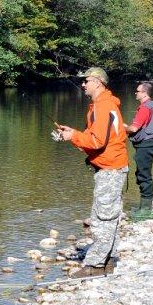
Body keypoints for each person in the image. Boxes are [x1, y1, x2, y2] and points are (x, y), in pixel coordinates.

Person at [56, 67, 128, 278]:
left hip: (110, 169)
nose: (83, 84)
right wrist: (73, 135)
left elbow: (97, 142)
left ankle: (95, 264)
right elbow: (91, 138)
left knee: (102, 217)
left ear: (98, 82)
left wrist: (75, 137)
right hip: (113, 167)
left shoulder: (103, 106)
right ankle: (109, 261)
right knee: (109, 215)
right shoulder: (102, 105)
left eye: (86, 81)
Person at [124, 82, 153, 221]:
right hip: (148, 144)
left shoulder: (145, 108)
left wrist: (122, 127)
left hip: (146, 145)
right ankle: (143, 206)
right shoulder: (150, 105)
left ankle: (146, 209)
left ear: (145, 93)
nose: (135, 93)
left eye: (138, 91)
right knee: (142, 173)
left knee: (144, 175)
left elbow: (134, 129)